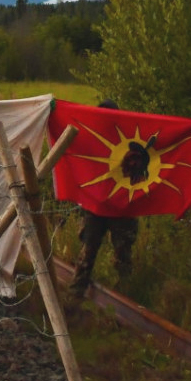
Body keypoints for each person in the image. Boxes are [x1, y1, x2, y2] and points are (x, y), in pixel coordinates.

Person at [70, 98, 139, 297]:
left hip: (121, 206)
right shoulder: (90, 137)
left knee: (123, 256)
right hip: (95, 205)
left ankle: (125, 299)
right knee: (88, 251)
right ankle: (75, 295)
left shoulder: (129, 140)